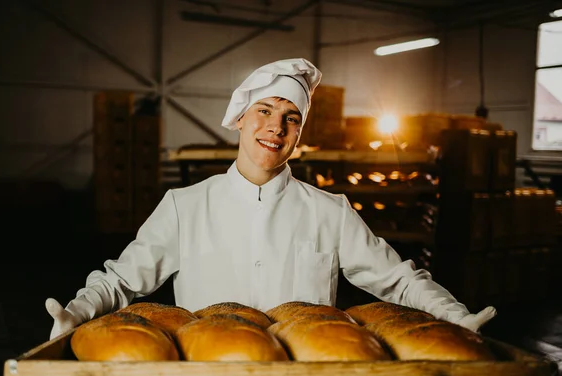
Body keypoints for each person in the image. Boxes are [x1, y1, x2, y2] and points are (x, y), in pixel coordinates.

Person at [46, 58, 496, 340]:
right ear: (240, 119)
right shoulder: (185, 206)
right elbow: (121, 281)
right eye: (264, 110)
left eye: (291, 118)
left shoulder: (329, 211)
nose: (275, 127)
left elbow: (398, 279)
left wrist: (453, 316)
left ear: (299, 133)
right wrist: (78, 312)